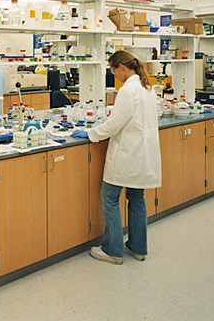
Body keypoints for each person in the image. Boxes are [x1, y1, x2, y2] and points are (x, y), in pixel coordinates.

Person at [71, 50, 161, 265]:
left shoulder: (127, 91)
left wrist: (90, 134)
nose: (114, 75)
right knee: (137, 200)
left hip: (127, 154)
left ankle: (112, 250)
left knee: (109, 199)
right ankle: (138, 248)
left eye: (113, 70)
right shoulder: (147, 88)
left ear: (121, 67)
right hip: (143, 155)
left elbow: (113, 126)